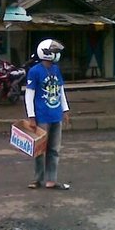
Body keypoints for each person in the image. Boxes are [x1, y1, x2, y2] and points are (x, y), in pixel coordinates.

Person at [24, 38, 71, 190]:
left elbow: (60, 90)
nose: (56, 54)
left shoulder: (56, 69)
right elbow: (29, 95)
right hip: (41, 116)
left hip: (56, 115)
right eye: (54, 51)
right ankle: (38, 179)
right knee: (39, 149)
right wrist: (31, 116)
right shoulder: (34, 71)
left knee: (54, 149)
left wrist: (65, 110)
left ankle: (51, 180)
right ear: (45, 53)